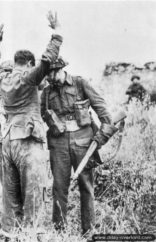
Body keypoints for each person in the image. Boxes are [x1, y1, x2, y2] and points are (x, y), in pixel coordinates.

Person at [0, 12, 63, 231]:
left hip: (8, 139)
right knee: (33, 190)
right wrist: (56, 33)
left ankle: (9, 231)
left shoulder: (4, 77)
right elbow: (47, 61)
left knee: (9, 192)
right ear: (29, 63)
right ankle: (32, 232)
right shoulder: (29, 77)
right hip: (28, 140)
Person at [40, 57, 113, 235]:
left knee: (86, 185)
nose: (49, 78)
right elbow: (43, 113)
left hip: (83, 142)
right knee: (59, 187)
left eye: (52, 73)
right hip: (58, 144)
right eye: (47, 74)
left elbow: (101, 108)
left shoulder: (80, 83)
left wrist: (103, 134)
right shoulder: (47, 92)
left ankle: (89, 231)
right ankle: (60, 232)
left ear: (61, 69)